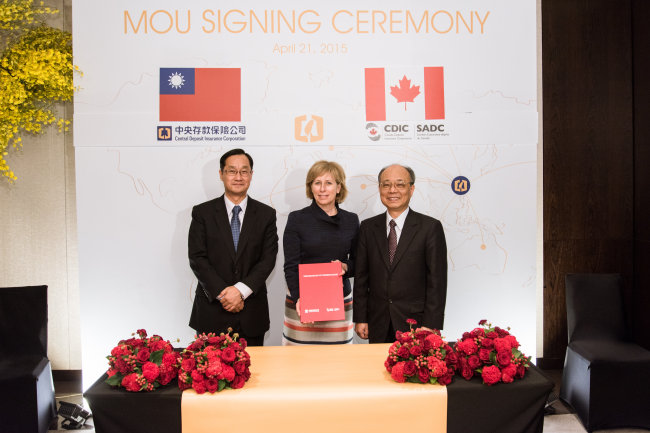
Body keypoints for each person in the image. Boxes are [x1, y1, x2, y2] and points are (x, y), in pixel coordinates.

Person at [188, 148, 278, 346]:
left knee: (255, 373)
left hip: (252, 313)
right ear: (221, 174)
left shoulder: (266, 215)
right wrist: (224, 293)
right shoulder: (202, 213)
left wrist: (240, 291)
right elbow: (197, 257)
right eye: (232, 171)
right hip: (211, 312)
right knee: (207, 373)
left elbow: (268, 259)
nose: (238, 177)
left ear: (251, 175)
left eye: (244, 171)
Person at [353, 164, 447, 343]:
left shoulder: (430, 228)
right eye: (386, 184)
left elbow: (437, 281)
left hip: (416, 324)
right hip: (377, 321)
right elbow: (361, 277)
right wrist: (361, 317)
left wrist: (431, 324)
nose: (392, 190)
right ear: (379, 188)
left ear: (411, 189)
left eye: (400, 184)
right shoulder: (367, 227)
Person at [282, 161, 359, 345]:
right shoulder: (297, 219)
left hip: (338, 301)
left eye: (329, 183)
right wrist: (300, 298)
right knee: (298, 362)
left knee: (338, 363)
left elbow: (359, 262)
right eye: (317, 182)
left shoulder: (351, 220)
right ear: (311, 187)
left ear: (339, 187)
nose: (322, 189)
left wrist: (345, 266)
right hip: (301, 300)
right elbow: (291, 265)